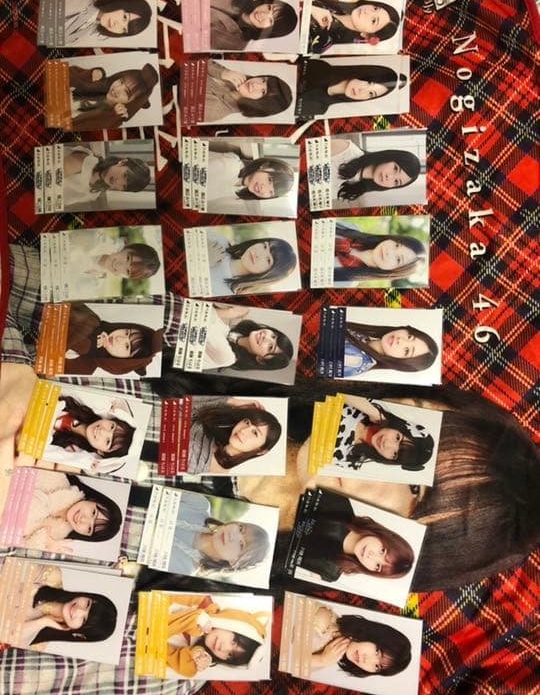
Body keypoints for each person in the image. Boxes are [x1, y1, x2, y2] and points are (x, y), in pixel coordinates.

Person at [2, 246, 539, 590]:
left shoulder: (201, 623)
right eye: (409, 420)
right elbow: (23, 278)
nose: (375, 452)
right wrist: (12, 373)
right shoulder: (215, 344)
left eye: (414, 492)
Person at [296, 490, 414, 582]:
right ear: (386, 537)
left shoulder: (329, 572)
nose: (371, 556)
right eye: (382, 551)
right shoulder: (340, 505)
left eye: (377, 566)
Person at [167, 490, 270, 578]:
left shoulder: (183, 571)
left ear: (234, 563)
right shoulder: (200, 505)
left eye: (241, 544)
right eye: (240, 528)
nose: (232, 535)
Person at [20, 470, 123, 553]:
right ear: (93, 500)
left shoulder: (55, 539)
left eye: (89, 528)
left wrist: (41, 544)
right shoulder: (56, 477)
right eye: (93, 513)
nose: (83, 520)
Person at [166, 594, 269, 677]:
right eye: (233, 642)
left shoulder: (196, 652)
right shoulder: (201, 600)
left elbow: (163, 655)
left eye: (230, 655)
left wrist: (194, 659)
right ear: (234, 622)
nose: (223, 648)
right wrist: (195, 620)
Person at [18, 564, 117, 649]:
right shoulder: (51, 576)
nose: (78, 610)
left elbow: (9, 638)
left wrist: (41, 622)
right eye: (87, 604)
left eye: (84, 620)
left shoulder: (38, 645)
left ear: (79, 634)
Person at [332, 395, 434, 472]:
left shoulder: (351, 460)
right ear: (399, 426)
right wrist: (374, 412)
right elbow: (335, 388)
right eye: (397, 438)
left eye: (394, 454)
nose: (387, 444)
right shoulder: (368, 404)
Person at [63, 302, 163, 377]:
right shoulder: (92, 321)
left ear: (125, 361)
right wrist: (90, 330)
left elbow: (58, 368)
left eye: (127, 346)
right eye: (126, 332)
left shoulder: (88, 366)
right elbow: (64, 308)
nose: (119, 338)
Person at [44, 394, 136, 475]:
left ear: (101, 452)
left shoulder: (71, 451)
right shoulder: (82, 405)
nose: (102, 431)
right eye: (112, 426)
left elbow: (43, 450)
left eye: (108, 441)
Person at [310, 605, 411, 678]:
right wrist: (321, 660)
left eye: (377, 666)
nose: (366, 660)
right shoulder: (324, 620)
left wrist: (322, 660)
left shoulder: (330, 657)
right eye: (377, 652)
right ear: (374, 635)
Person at [188, 396, 282, 473]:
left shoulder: (210, 468)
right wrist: (233, 402)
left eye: (255, 432)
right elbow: (184, 405)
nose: (243, 430)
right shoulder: (211, 433)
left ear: (261, 451)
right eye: (247, 422)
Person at [298, 59, 406, 118]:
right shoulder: (321, 67)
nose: (362, 91)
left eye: (371, 94)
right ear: (363, 72)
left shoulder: (320, 109)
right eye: (368, 82)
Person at [202, 305, 294, 373]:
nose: (266, 337)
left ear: (260, 359)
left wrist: (232, 312)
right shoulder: (230, 332)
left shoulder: (228, 357)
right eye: (273, 336)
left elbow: (201, 317)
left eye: (270, 347)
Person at [206, 146, 295, 215]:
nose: (263, 189)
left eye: (271, 192)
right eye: (269, 180)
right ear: (264, 166)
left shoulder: (238, 191)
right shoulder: (231, 166)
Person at [68, 63, 159, 131]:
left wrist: (112, 116)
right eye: (121, 81)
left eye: (126, 92)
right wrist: (89, 74)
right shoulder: (97, 85)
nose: (117, 89)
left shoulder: (112, 120)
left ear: (132, 101)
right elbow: (69, 73)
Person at [209, 0, 297, 51]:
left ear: (269, 31)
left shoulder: (236, 43)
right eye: (269, 8)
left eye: (270, 20)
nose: (263, 14)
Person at [333, 222, 426, 284]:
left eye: (398, 259)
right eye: (397, 245)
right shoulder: (351, 229)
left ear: (396, 271)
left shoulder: (346, 282)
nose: (389, 252)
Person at [63, 145, 151, 210]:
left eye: (124, 186)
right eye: (125, 175)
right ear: (122, 162)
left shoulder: (94, 194)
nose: (117, 182)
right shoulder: (86, 162)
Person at [206, 233, 297, 296]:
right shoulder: (219, 240)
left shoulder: (223, 293)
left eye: (268, 260)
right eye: (264, 246)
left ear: (269, 275)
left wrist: (204, 260)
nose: (258, 254)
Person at [330, 141, 420, 203]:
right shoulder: (347, 150)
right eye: (395, 168)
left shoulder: (353, 191)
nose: (389, 177)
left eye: (396, 181)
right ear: (389, 157)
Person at [203, 60, 292, 123]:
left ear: (260, 105)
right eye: (263, 80)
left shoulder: (216, 109)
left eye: (263, 92)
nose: (256, 84)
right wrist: (223, 72)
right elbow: (199, 59)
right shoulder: (232, 79)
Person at [309, 0, 401, 53]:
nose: (367, 12)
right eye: (375, 8)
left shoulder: (324, 41)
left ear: (366, 35)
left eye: (373, 21)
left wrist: (309, 8)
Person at [64, 0, 152, 44]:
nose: (117, 25)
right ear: (121, 3)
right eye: (124, 17)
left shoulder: (91, 27)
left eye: (124, 29)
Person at [343, 322, 439, 376]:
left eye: (407, 351)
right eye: (410, 336)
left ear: (400, 363)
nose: (401, 340)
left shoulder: (357, 360)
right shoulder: (364, 338)